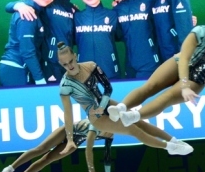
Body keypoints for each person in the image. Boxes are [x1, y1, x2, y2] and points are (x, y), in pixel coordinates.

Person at [108, 7, 205, 137]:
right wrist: (184, 85)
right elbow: (184, 59)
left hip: (197, 79)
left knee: (166, 97)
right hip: (179, 63)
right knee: (150, 86)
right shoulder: (201, 32)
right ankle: (121, 107)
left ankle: (132, 117)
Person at [55, 42, 193, 158]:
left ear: (75, 55)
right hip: (96, 117)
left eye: (71, 61)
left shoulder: (90, 66)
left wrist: (102, 106)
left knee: (139, 122)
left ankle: (174, 140)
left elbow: (108, 88)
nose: (70, 66)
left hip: (107, 104)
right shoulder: (65, 85)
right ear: (60, 64)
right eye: (65, 65)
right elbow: (68, 113)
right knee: (133, 130)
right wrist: (70, 139)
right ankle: (169, 147)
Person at [6, 0, 80, 82]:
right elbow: (17, 4)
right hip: (48, 66)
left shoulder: (73, 9)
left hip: (66, 65)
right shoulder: (47, 1)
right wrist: (17, 5)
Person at [0, 119, 119, 172]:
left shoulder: (111, 135)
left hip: (76, 141)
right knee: (41, 149)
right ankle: (10, 168)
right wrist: (91, 170)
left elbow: (107, 156)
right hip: (68, 130)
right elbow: (88, 150)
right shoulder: (97, 126)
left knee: (48, 159)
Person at [0, 0, 55, 86]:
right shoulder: (28, 14)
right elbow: (27, 51)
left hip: (21, 68)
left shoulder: (36, 10)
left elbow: (9, 6)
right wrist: (39, 79)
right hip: (15, 69)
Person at [106, 0, 161, 78]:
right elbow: (117, 36)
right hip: (130, 66)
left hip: (151, 64)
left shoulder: (149, 2)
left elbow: (164, 23)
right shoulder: (116, 10)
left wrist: (188, 19)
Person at [74, 0, 121, 79]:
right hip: (84, 74)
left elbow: (121, 36)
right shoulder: (76, 17)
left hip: (109, 71)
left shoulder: (113, 14)